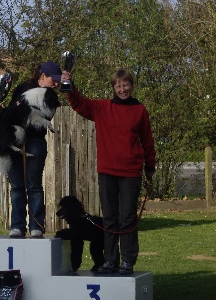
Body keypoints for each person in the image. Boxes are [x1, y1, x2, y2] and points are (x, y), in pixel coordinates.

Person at [62, 69, 156, 275]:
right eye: (118, 86)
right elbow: (79, 103)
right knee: (110, 217)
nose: (122, 89)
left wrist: (150, 167)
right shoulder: (102, 107)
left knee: (128, 218)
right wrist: (69, 85)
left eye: (126, 85)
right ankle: (111, 260)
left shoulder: (140, 110)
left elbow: (147, 141)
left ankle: (128, 261)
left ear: (131, 85)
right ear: (113, 87)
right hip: (107, 171)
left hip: (131, 171)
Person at [0, 61, 62, 238]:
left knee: (34, 186)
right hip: (14, 140)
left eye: (57, 80)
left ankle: (36, 226)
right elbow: (11, 112)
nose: (55, 84)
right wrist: (0, 112)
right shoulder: (22, 88)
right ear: (43, 76)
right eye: (53, 80)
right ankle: (17, 226)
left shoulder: (51, 96)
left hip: (35, 141)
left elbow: (47, 116)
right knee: (17, 186)